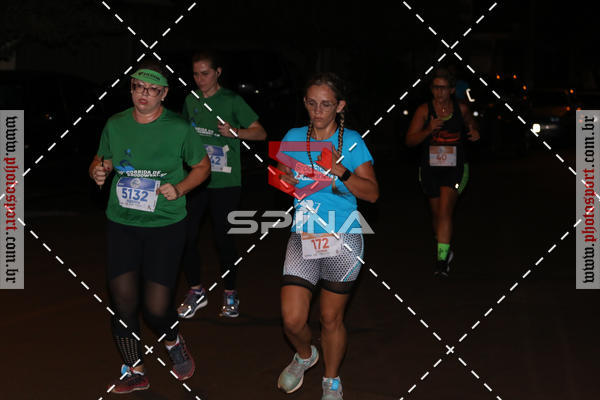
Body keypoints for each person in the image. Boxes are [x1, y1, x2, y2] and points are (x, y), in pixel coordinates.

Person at [89, 60, 211, 393]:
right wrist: (98, 171)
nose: (144, 94)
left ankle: (173, 340)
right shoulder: (115, 124)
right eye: (138, 87)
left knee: (156, 309)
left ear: (164, 94)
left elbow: (203, 167)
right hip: (122, 223)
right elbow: (102, 159)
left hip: (165, 225)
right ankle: (135, 371)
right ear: (131, 89)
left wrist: (181, 188)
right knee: (123, 301)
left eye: (152, 89)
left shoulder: (178, 128)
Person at [274, 72, 378, 400]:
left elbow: (372, 193)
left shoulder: (353, 142)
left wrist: (340, 170)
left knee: (330, 318)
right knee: (292, 320)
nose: (317, 111)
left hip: (343, 238)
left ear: (340, 106)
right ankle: (305, 355)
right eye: (311, 103)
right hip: (303, 235)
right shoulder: (293, 137)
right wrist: (284, 178)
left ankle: (331, 380)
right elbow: (280, 175)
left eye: (326, 104)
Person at [177, 51, 267, 319]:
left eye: (205, 73)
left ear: (218, 73)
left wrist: (236, 132)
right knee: (186, 236)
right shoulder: (191, 100)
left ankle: (230, 293)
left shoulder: (232, 100)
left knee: (223, 238)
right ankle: (196, 291)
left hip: (225, 181)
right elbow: (182, 135)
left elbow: (261, 133)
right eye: (195, 74)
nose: (200, 79)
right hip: (195, 180)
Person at [405, 67, 480, 277]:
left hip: (455, 168)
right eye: (436, 88)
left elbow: (472, 124)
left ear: (452, 90)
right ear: (431, 89)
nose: (439, 92)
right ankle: (445, 249)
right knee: (437, 215)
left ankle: (441, 262)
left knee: (446, 210)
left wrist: (475, 131)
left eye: (444, 88)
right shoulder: (424, 110)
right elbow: (409, 141)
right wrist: (428, 130)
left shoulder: (461, 109)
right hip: (430, 168)